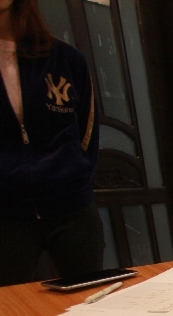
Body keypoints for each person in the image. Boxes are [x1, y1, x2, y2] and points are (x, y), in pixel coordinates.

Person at [0, 0, 103, 286]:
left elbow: (86, 131)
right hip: (5, 216)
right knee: (10, 308)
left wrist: (74, 178)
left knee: (89, 299)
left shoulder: (66, 59)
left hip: (72, 209)